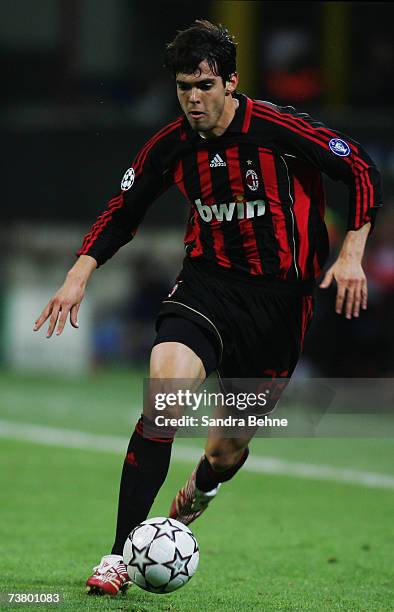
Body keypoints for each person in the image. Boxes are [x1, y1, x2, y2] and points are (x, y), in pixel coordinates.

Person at [34, 20, 382, 597]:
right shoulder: (171, 145)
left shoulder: (277, 129)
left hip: (278, 309)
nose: (193, 99)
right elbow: (122, 211)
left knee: (225, 448)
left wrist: (351, 253)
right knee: (163, 405)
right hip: (206, 288)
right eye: (183, 87)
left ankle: (201, 489)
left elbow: (362, 168)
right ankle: (118, 555)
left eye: (204, 85)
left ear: (231, 81)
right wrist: (78, 273)